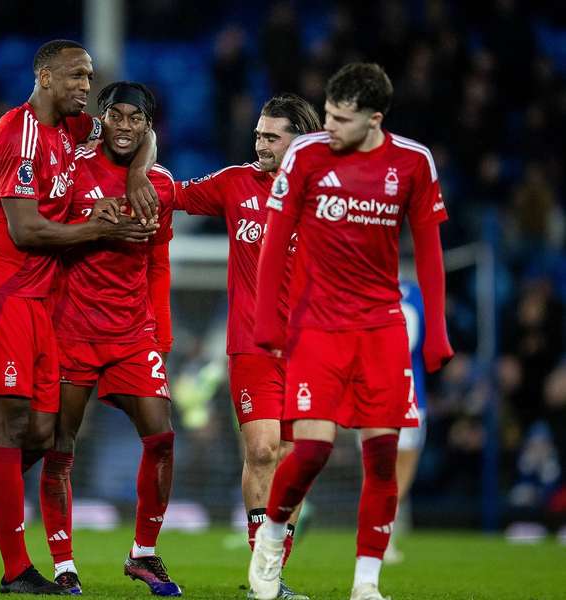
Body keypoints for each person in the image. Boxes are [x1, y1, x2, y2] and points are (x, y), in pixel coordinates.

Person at [0, 40, 159, 595]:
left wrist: (138, 171)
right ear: (44, 75)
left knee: (41, 434)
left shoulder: (72, 126)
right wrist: (101, 229)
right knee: (7, 428)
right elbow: (26, 231)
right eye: (76, 76)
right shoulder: (20, 134)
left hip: (38, 300)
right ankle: (16, 571)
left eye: (89, 78)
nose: (86, 87)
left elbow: (136, 131)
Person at [249, 63, 453, 600]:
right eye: (330, 113)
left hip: (381, 327)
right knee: (312, 452)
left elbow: (429, 253)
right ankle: (270, 538)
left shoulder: (413, 162)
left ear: (375, 119)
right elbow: (274, 240)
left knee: (383, 457)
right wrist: (268, 319)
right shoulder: (307, 154)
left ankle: (366, 583)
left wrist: (437, 331)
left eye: (342, 119)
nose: (330, 126)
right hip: (317, 325)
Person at [175, 94, 319, 600]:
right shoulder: (236, 183)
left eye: (271, 136)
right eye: (257, 134)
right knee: (262, 450)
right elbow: (174, 194)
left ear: (298, 141)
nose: (259, 143)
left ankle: (272, 571)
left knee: (295, 459)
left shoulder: (325, 194)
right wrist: (126, 164)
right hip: (253, 345)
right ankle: (263, 576)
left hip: (310, 350)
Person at [37, 81, 179, 596]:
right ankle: (63, 564)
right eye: (115, 115)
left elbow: (158, 263)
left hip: (131, 333)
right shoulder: (72, 168)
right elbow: (45, 240)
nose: (125, 125)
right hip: (72, 329)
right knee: (60, 447)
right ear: (103, 119)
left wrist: (161, 333)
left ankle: (143, 553)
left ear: (147, 126)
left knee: (161, 438)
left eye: (135, 119)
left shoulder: (159, 185)